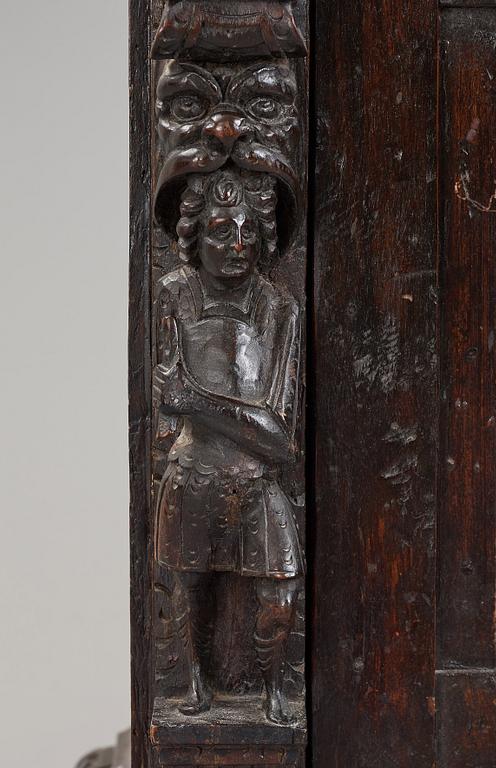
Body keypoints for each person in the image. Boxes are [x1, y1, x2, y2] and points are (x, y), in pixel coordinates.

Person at [153, 167, 303, 725]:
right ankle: (190, 681)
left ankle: (272, 686)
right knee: (178, 585)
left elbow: (280, 438)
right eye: (220, 232)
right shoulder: (175, 295)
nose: (237, 245)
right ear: (194, 236)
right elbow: (164, 403)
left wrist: (198, 401)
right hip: (193, 474)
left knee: (280, 596)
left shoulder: (277, 307)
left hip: (257, 480)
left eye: (246, 232)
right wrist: (230, 416)